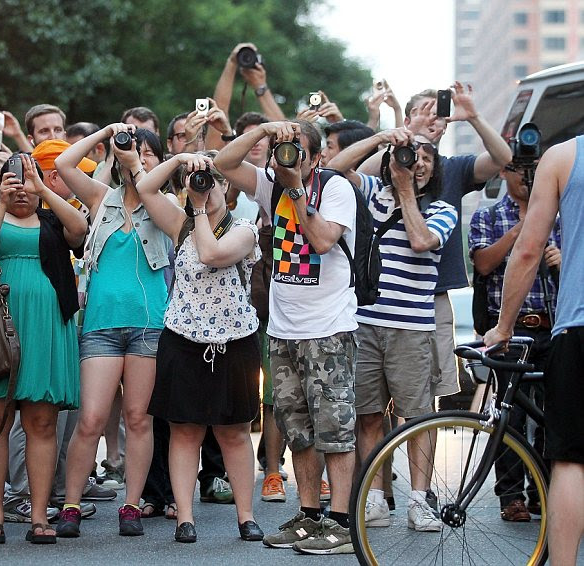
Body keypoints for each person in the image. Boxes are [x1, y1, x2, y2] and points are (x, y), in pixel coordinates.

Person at [215, 119, 357, 554]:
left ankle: (342, 523)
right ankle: (310, 515)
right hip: (282, 331)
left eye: (298, 150)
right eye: (285, 150)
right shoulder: (269, 183)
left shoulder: (334, 189)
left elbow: (321, 241)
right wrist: (264, 134)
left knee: (335, 431)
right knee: (297, 430)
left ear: (316, 157)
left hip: (328, 329)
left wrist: (295, 187)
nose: (289, 157)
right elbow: (223, 161)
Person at [330, 129, 458, 532]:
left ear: (435, 170)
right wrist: (381, 138)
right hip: (365, 323)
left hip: (412, 330)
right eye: (408, 154)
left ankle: (420, 501)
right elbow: (333, 169)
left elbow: (421, 240)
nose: (415, 163)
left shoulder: (443, 209)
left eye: (425, 159)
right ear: (389, 161)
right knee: (367, 416)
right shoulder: (370, 191)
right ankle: (373, 499)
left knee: (416, 417)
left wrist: (404, 190)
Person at [358, 83, 512, 404]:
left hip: (433, 297)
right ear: (409, 116)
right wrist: (407, 134)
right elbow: (358, 175)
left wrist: (473, 117)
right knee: (369, 408)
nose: (431, 118)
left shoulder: (452, 167)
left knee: (423, 400)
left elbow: (501, 158)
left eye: (437, 111)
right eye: (422, 111)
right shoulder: (389, 166)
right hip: (379, 298)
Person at [138, 151, 263, 544]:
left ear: (227, 187)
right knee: (184, 432)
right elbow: (144, 186)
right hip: (183, 338)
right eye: (200, 181)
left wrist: (197, 208)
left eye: (214, 181)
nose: (206, 188)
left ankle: (246, 516)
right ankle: (185, 519)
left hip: (236, 340)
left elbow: (211, 254)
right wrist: (179, 160)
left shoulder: (244, 228)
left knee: (234, 433)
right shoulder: (180, 223)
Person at [0, 153, 86, 545]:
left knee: (42, 422)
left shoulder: (50, 218)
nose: (20, 189)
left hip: (47, 327)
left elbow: (80, 229)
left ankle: (38, 514)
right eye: (10, 181)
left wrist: (44, 188)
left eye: (26, 181)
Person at [54, 123, 171, 538]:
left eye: (145, 152)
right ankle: (71, 504)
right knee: (90, 419)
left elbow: (171, 221)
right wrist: (107, 133)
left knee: (139, 419)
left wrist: (137, 166)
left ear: (159, 161)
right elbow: (65, 164)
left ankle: (131, 506)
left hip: (148, 326)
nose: (133, 156)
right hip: (101, 325)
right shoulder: (102, 199)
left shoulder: (167, 204)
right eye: (130, 151)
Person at [484, 136, 584, 566]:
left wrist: (503, 328)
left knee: (570, 462)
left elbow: (527, 251)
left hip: (578, 327)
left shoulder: (564, 156)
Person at [469, 158, 559, 522]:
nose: (527, 176)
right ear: (504, 173)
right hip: (511, 329)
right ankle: (511, 495)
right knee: (510, 414)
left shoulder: (562, 214)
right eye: (518, 168)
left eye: (533, 168)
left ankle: (543, 490)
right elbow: (484, 263)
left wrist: (561, 258)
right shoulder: (487, 216)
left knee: (554, 412)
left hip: (553, 326)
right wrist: (528, 227)